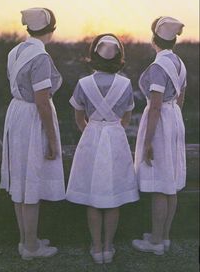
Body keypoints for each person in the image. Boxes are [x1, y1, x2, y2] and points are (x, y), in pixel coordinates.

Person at [66, 34, 139, 264]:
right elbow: (127, 117)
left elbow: (79, 119)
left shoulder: (83, 83)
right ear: (119, 56)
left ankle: (96, 248)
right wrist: (113, 131)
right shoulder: (125, 84)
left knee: (93, 195)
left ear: (94, 54)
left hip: (92, 135)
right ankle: (109, 246)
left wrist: (93, 131)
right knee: (113, 194)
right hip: (115, 136)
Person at [0, 7, 65, 260]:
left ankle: (26, 239)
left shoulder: (15, 51)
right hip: (31, 118)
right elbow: (42, 101)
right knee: (31, 181)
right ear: (52, 30)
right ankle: (31, 247)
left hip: (15, 113)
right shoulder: (41, 58)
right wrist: (52, 139)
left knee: (21, 180)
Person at [132, 16, 187, 255]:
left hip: (161, 121)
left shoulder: (157, 67)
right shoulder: (179, 63)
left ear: (154, 39)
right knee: (170, 183)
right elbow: (180, 97)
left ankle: (154, 242)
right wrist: (173, 119)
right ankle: (163, 237)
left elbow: (154, 106)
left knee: (159, 184)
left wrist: (148, 140)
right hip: (174, 117)